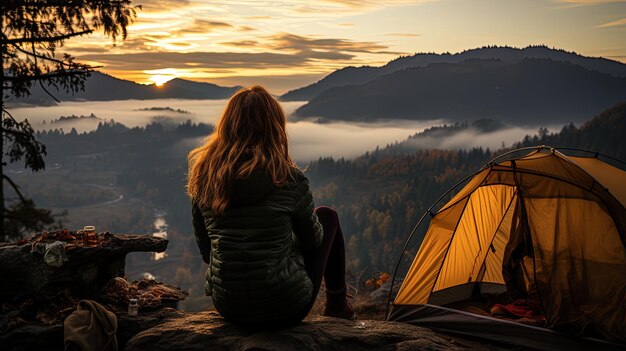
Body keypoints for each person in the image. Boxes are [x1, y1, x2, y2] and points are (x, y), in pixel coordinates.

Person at [186, 86, 355, 328]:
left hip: (229, 306)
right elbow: (312, 242)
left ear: (226, 127)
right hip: (285, 306)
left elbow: (207, 253)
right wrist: (283, 242)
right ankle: (338, 306)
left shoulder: (205, 179)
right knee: (327, 216)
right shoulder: (287, 179)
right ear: (274, 127)